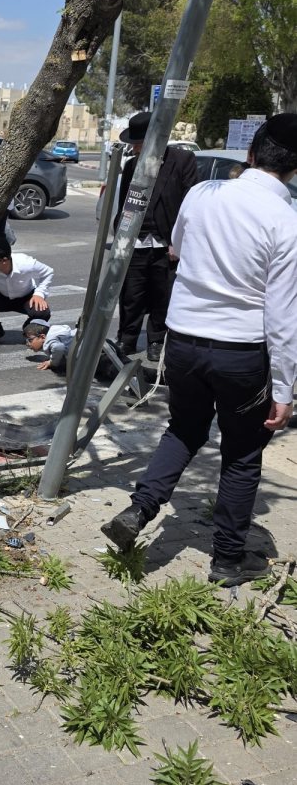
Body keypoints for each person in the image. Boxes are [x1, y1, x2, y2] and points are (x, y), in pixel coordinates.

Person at [101, 113, 297, 587]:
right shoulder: (286, 221)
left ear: (251, 154)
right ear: (292, 170)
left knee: (183, 430)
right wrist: (285, 386)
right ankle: (227, 560)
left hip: (184, 342)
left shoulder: (203, 193)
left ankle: (140, 508)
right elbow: (283, 315)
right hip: (241, 352)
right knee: (243, 454)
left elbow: (176, 250)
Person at [114, 111, 198, 362]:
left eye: (139, 143)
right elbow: (124, 206)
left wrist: (179, 241)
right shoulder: (131, 166)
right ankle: (127, 338)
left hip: (166, 243)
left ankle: (156, 340)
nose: (135, 148)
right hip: (136, 241)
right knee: (132, 293)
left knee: (163, 294)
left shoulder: (182, 160)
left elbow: (190, 205)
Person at [23, 318, 119, 381]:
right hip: (102, 342)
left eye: (30, 340)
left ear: (42, 337)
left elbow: (58, 348)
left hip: (92, 352)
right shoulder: (56, 334)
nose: (28, 344)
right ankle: (130, 368)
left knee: (110, 369)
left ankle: (129, 380)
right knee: (120, 359)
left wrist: (52, 362)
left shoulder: (49, 342)